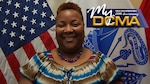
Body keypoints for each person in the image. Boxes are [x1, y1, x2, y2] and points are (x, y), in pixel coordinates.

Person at [19, 2, 123, 84]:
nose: (68, 30)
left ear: (83, 27)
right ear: (56, 29)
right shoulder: (38, 63)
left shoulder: (103, 64)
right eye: (61, 25)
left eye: (75, 24)